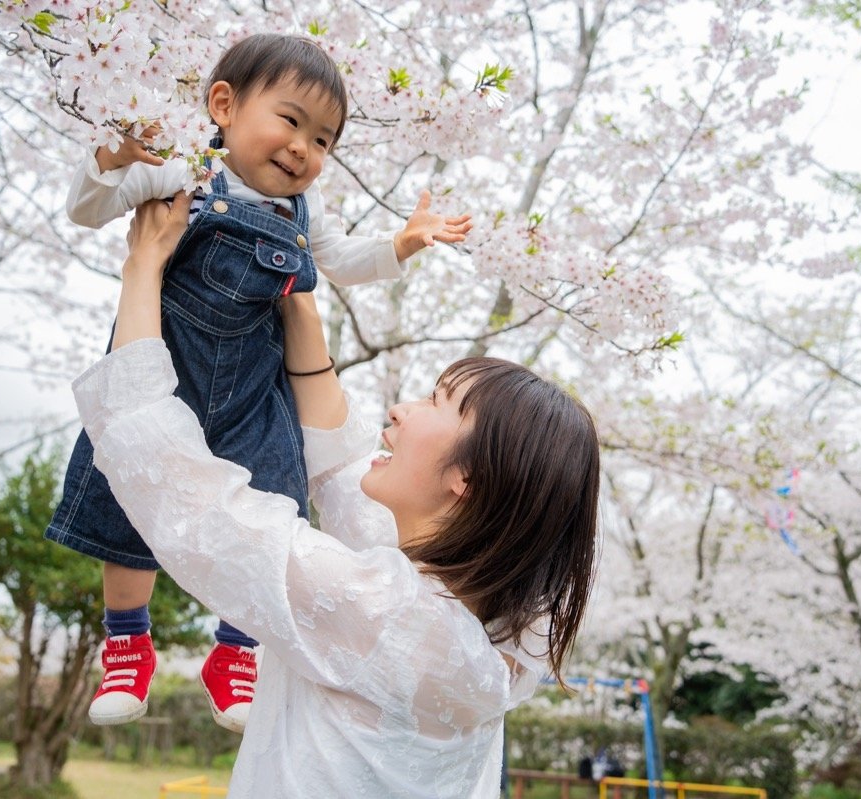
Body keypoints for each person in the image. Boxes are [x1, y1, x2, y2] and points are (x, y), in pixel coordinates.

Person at [69, 191, 601, 796]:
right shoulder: (497, 623)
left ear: (468, 480)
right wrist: (296, 290)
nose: (400, 408)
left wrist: (142, 268)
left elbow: (181, 490)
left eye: (435, 402)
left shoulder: (387, 614)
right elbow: (340, 461)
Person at [45, 33, 471, 731]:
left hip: (252, 395)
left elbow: (344, 262)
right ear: (223, 105)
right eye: (291, 120)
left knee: (276, 503)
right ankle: (126, 638)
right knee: (124, 489)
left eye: (325, 140)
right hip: (166, 372)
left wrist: (401, 243)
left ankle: (237, 650)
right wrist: (111, 157)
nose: (305, 147)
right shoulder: (184, 170)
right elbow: (89, 210)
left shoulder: (307, 214)